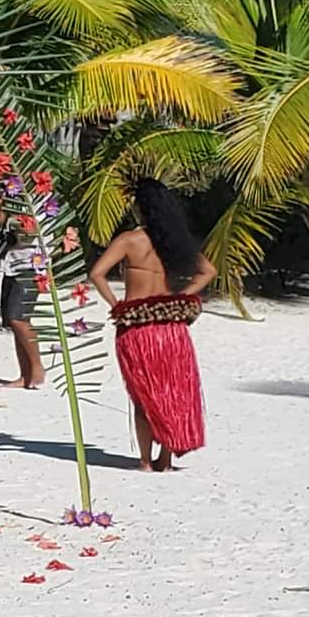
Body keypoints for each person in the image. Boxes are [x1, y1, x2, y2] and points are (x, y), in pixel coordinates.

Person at [88, 179, 216, 472]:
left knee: (143, 394)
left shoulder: (129, 240)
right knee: (171, 391)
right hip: (171, 328)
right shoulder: (174, 240)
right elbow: (208, 271)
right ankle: (165, 460)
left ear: (140, 208)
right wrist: (183, 295)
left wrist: (116, 304)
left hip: (138, 328)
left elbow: (97, 273)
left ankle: (145, 461)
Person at [0, 198, 45, 389]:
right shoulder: (9, 198)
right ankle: (25, 375)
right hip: (11, 265)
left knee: (19, 319)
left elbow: (30, 231)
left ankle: (37, 368)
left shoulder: (36, 199)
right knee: (13, 323)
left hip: (31, 265)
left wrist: (12, 219)